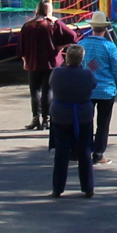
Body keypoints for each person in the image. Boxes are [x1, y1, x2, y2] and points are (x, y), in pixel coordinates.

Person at [18, 1, 77, 131]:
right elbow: (73, 36)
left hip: (32, 62)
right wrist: (60, 46)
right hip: (51, 62)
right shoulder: (52, 24)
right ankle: (46, 118)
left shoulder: (27, 25)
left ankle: (35, 118)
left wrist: (25, 60)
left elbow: (21, 47)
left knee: (34, 90)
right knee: (48, 90)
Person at [48, 46, 97, 197]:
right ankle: (88, 187)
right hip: (83, 115)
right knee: (84, 152)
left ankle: (58, 188)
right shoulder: (87, 74)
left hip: (61, 115)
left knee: (61, 153)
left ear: (67, 57)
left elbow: (51, 85)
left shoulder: (57, 73)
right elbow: (93, 85)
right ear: (81, 59)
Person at [77, 15, 117, 165]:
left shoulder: (81, 44)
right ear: (105, 28)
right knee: (103, 124)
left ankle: (83, 150)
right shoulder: (110, 47)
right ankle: (98, 153)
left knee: (86, 122)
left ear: (92, 27)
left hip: (86, 89)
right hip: (106, 89)